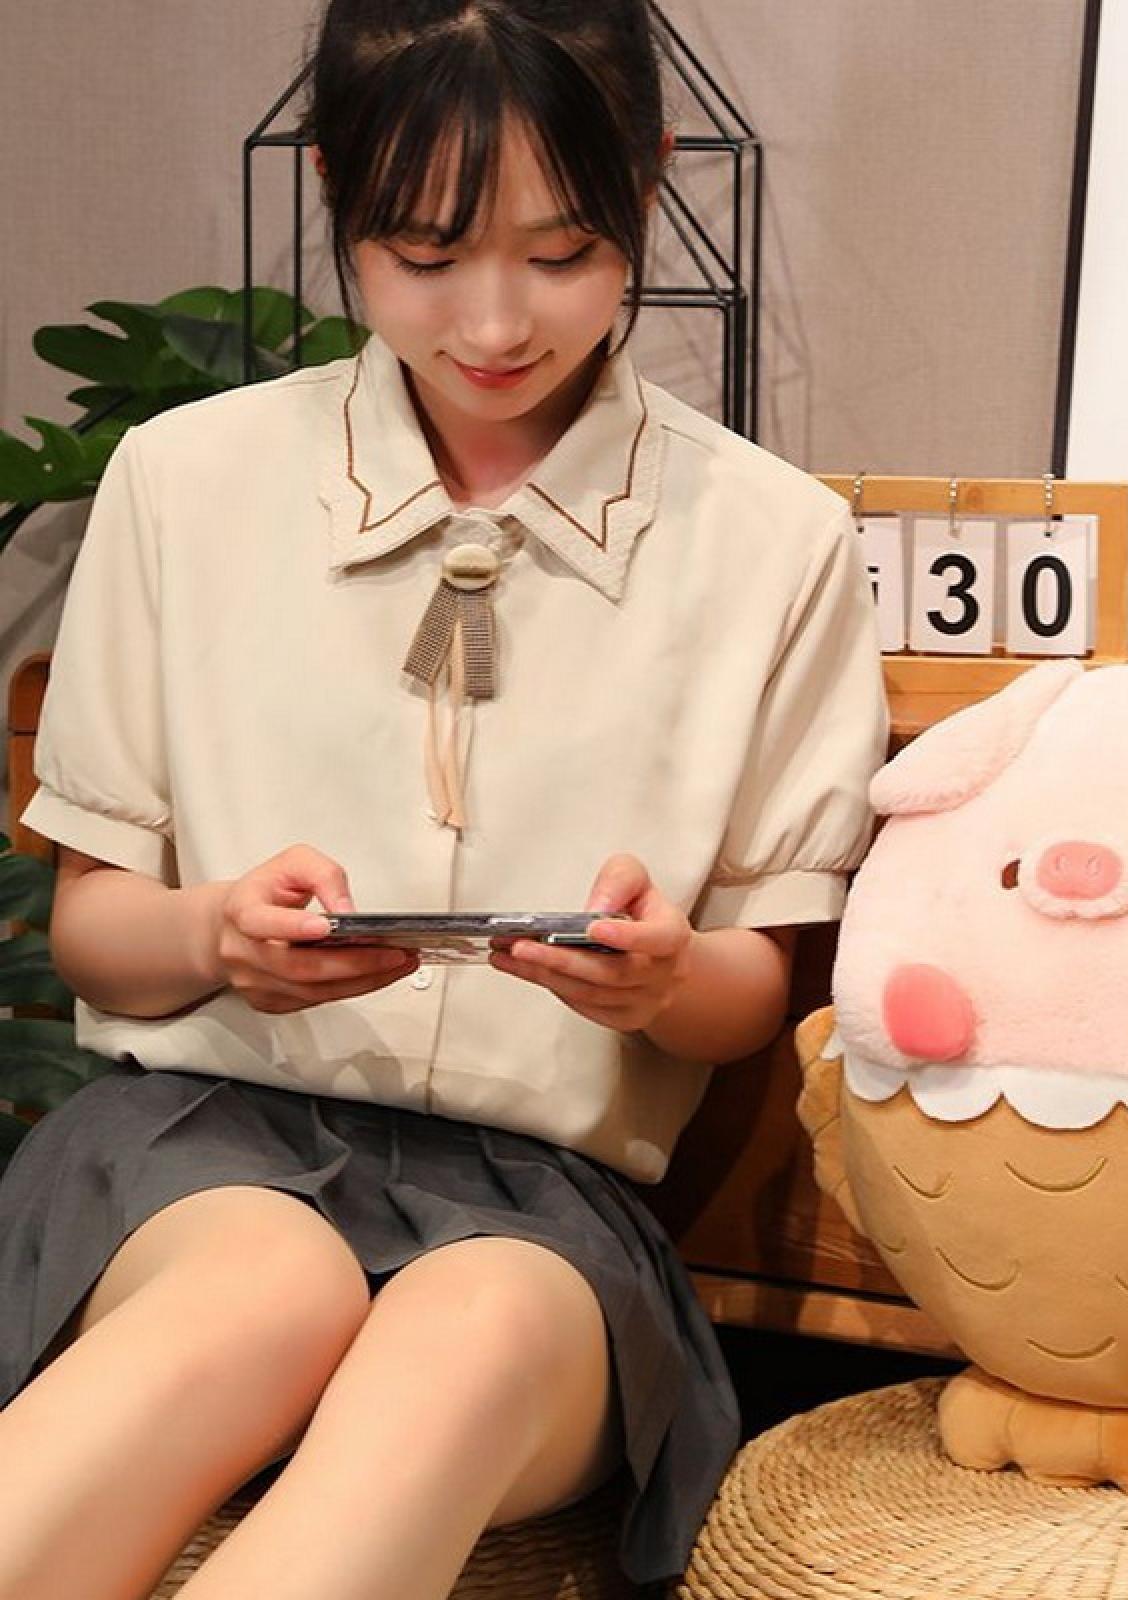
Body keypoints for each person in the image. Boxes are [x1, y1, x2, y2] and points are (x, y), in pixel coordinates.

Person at [0, 2, 887, 1596]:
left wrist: (666, 979)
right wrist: (214, 933)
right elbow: (93, 931)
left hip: (544, 1211)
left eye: (562, 252)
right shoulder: (183, 483)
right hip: (201, 1146)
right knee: (257, 1297)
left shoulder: (777, 542)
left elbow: (758, 986)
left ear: (647, 179)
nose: (493, 321)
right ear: (336, 193)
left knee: (463, 1340)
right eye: (423, 254)